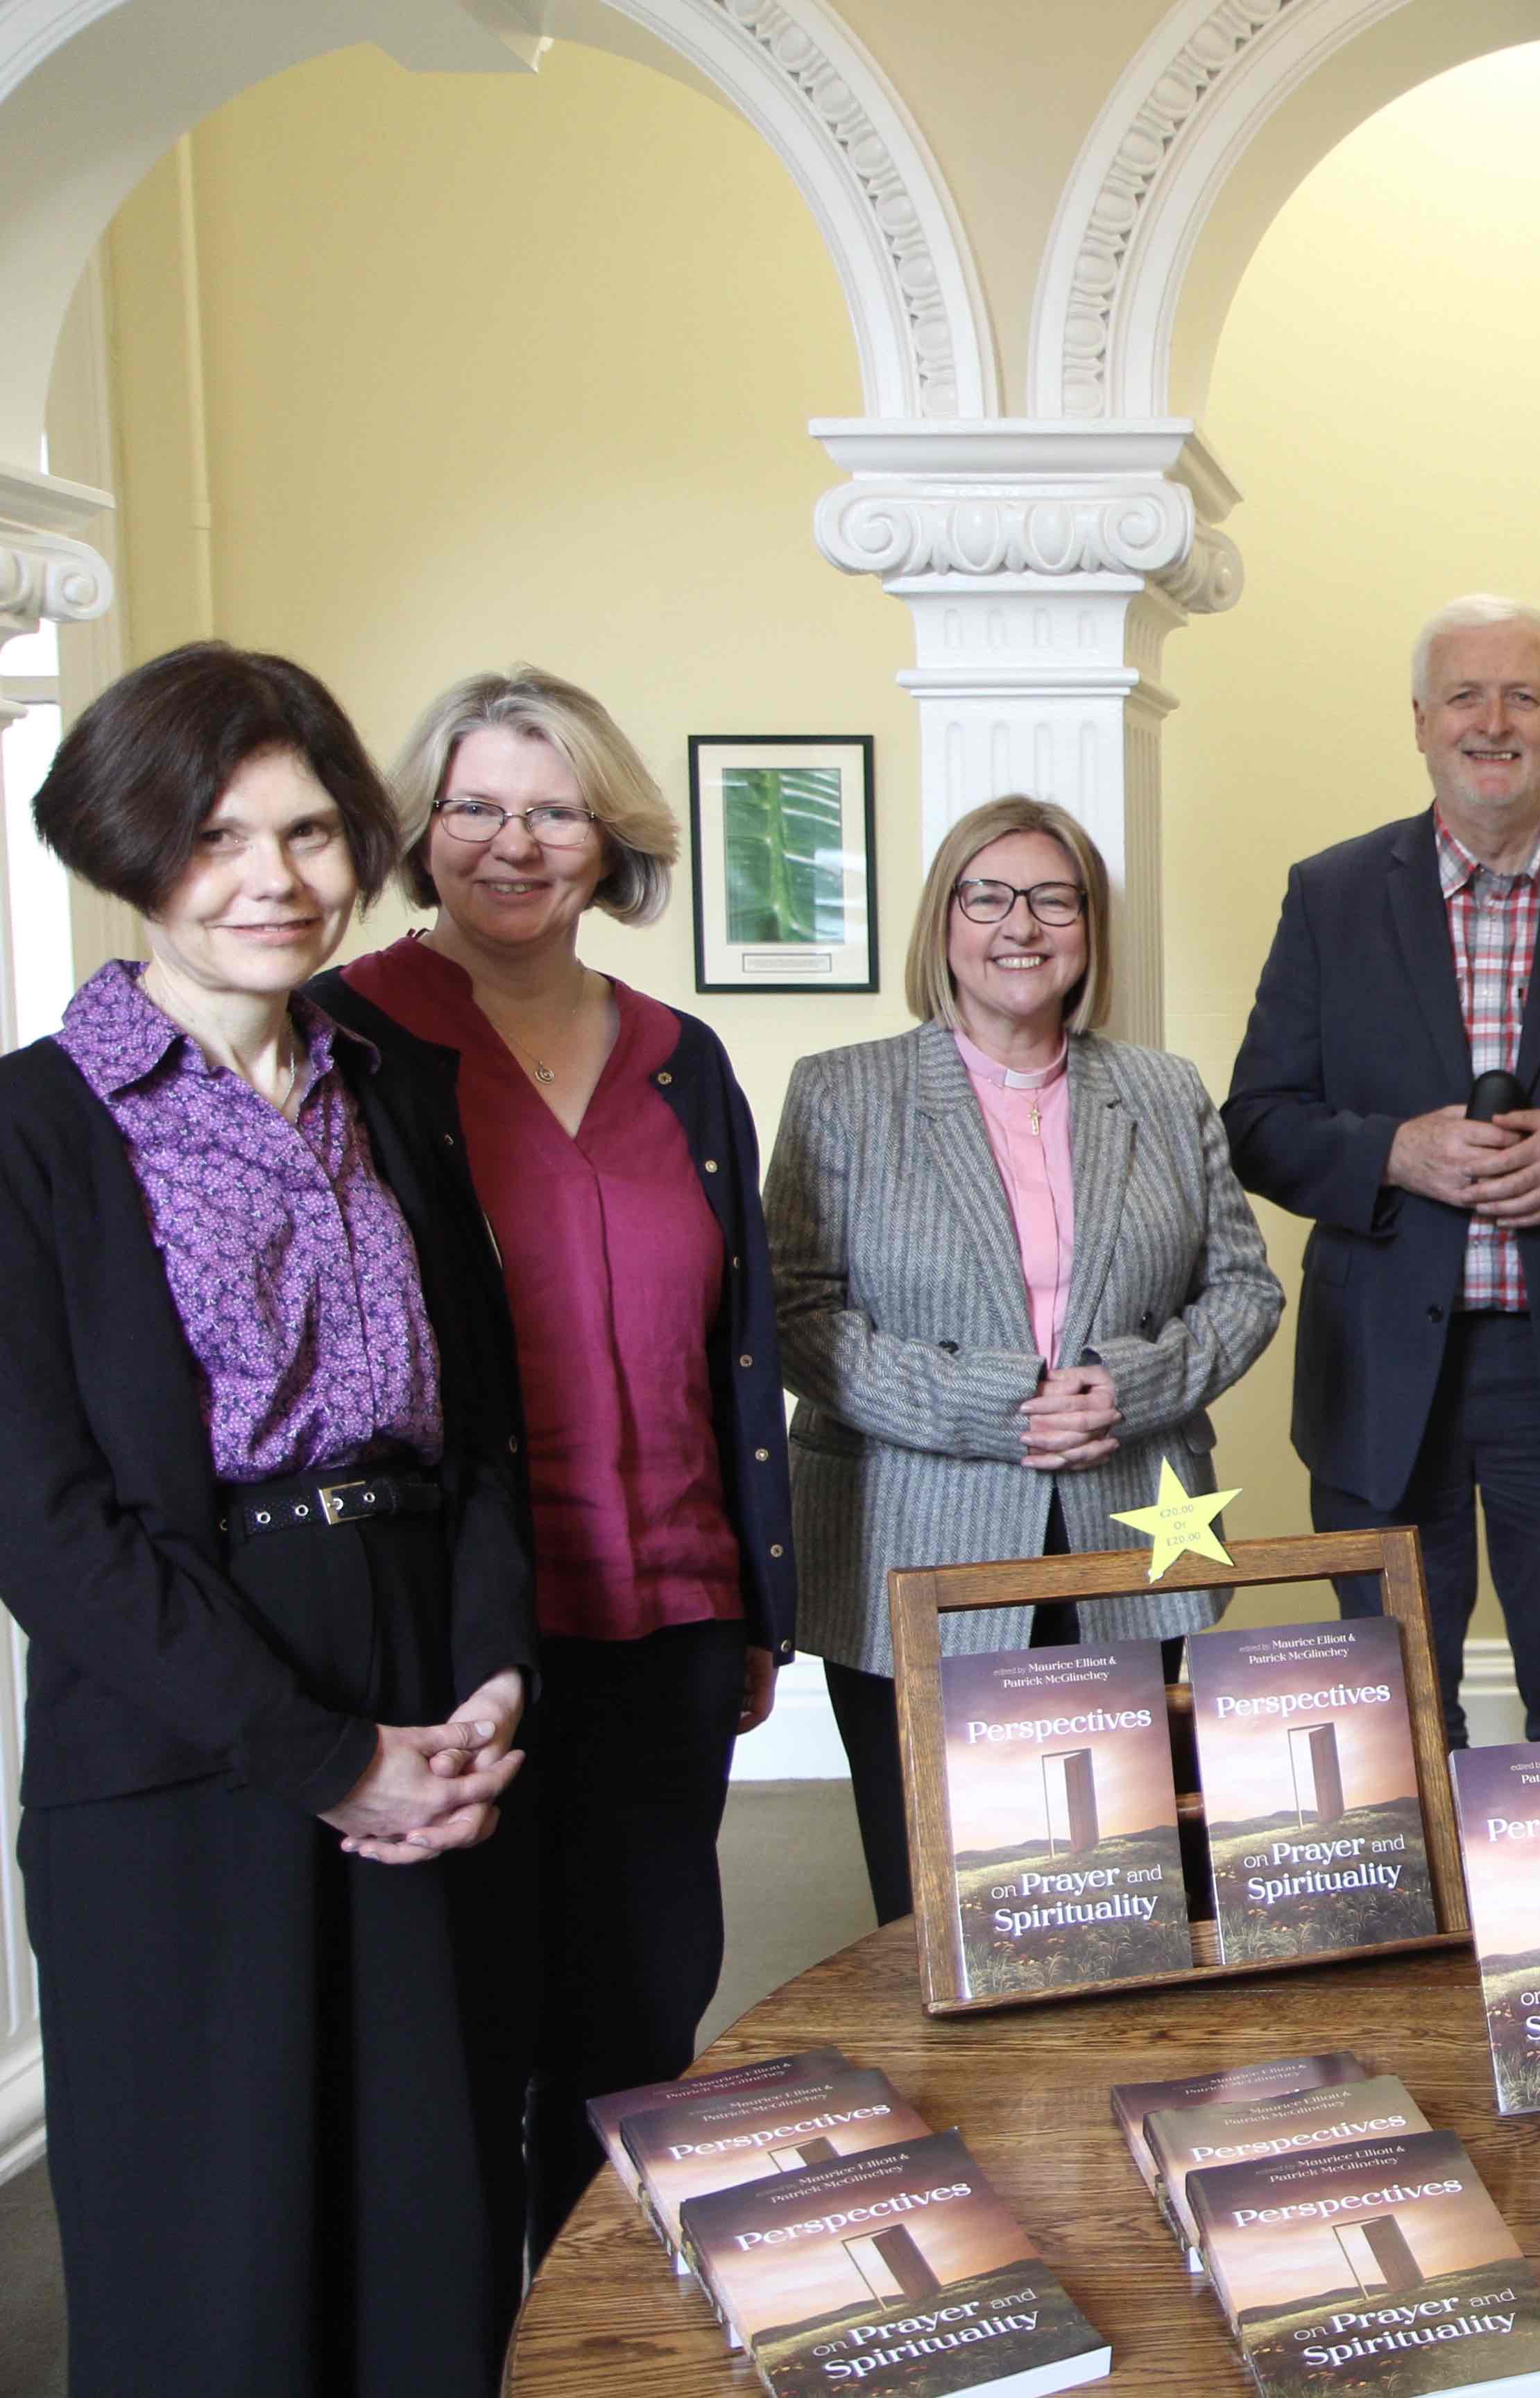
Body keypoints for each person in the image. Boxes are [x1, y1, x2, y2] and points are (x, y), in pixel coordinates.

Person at [0, 642, 533, 2393]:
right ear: (128, 851)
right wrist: (325, 1757)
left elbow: (481, 1433)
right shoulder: (28, 1130)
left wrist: (484, 1685)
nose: (275, 882)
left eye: (310, 835)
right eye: (217, 838)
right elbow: (48, 1528)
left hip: (422, 1695)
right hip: (183, 1732)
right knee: (212, 2260)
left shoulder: (390, 1086)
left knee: (427, 2230)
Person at [310, 665, 796, 2265]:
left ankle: (607, 2341)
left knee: (642, 2024)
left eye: (553, 809)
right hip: (454, 1639)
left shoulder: (682, 1058)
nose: (513, 844)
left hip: (670, 1615)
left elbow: (744, 1345)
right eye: (475, 808)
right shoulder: (346, 1043)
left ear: (610, 837)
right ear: (419, 828)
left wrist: (761, 1606)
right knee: (465, 2028)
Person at [769, 794, 1281, 1923]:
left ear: (1089, 926)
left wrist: (1133, 1387)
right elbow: (796, 1314)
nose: (1021, 924)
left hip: (1125, 1537)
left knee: (1112, 1887)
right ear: (942, 921)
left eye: (1054, 898)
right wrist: (992, 1404)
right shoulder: (842, 1094)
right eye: (987, 895)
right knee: (933, 1903)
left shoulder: (1163, 1089)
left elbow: (1245, 1289)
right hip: (913, 1543)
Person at [1226, 594, 1540, 1746]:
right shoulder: (1331, 895)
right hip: (1386, 1366)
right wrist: (1393, 1152)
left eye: (1522, 696)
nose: (1492, 721)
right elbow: (1256, 1120)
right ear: (1418, 721)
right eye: (1464, 695)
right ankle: (1429, 1933)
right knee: (1389, 1709)